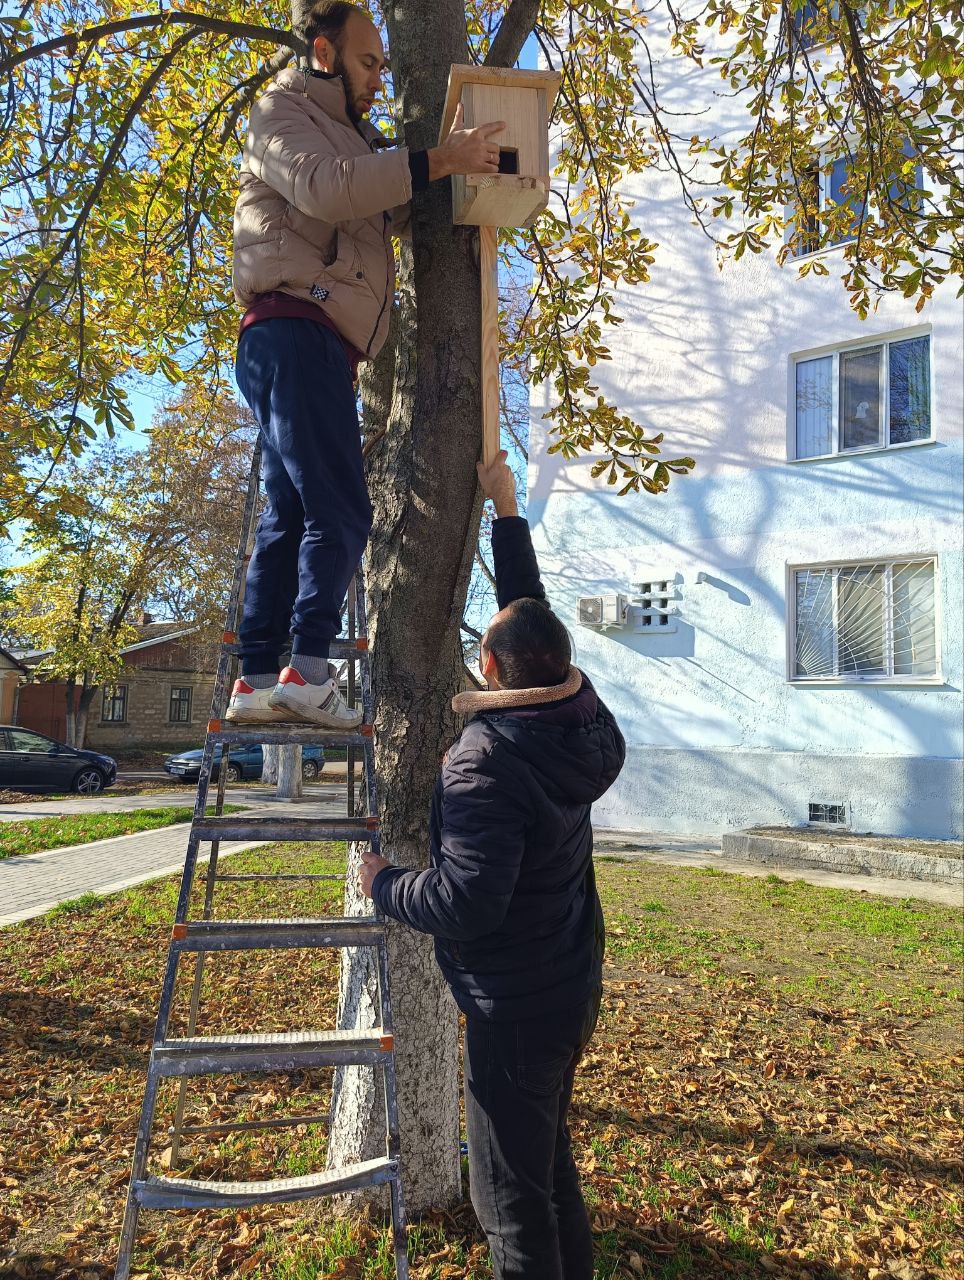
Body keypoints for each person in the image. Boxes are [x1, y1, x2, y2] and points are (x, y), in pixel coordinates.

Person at [359, 451, 626, 1280]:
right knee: (547, 1172)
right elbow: (530, 613)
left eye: (485, 649)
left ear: (495, 670)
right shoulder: (582, 721)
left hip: (516, 1008)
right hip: (568, 982)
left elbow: (468, 900)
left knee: (507, 1201)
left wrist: (383, 885)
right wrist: (505, 508)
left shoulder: (483, 761)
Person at [226, 0, 506, 728]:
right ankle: (308, 670)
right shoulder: (282, 114)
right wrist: (440, 159)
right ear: (324, 53)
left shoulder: (349, 137)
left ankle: (256, 679)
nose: (379, 79)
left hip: (302, 339)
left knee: (288, 516)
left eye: (384, 64)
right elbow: (327, 188)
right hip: (296, 330)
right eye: (367, 62)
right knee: (344, 510)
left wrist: (448, 172)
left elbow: (373, 206)